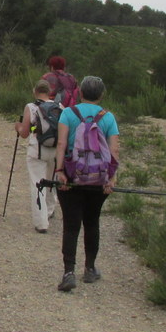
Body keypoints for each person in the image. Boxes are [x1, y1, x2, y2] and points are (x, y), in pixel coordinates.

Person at [53, 75, 120, 292]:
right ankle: (90, 269)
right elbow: (114, 150)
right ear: (101, 95)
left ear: (80, 92)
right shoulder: (108, 118)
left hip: (72, 177)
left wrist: (60, 171)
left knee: (71, 226)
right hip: (99, 179)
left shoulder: (68, 113)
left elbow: (62, 143)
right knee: (92, 222)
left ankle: (68, 272)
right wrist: (112, 177)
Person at [14, 80, 58, 233]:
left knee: (37, 183)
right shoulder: (60, 107)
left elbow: (25, 133)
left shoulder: (31, 107)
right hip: (56, 151)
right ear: (49, 91)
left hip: (37, 150)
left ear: (35, 91)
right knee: (52, 181)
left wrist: (18, 127)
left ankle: (41, 222)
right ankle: (50, 210)